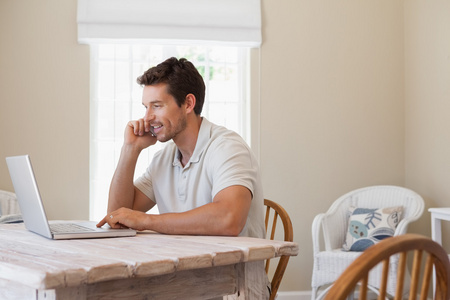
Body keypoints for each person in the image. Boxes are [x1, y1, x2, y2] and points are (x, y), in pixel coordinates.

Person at [96, 57, 265, 239]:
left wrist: (146, 221)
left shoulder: (228, 148)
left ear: (189, 104)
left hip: (229, 267)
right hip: (179, 264)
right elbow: (117, 217)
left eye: (157, 106)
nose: (147, 118)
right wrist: (130, 149)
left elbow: (229, 219)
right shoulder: (163, 158)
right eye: (146, 107)